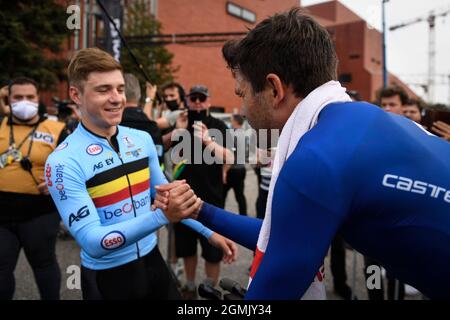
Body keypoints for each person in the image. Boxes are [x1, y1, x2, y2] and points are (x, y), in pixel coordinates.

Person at [155, 8, 450, 299]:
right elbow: (285, 234)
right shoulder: (363, 119)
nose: (242, 110)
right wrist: (201, 210)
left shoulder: (316, 160)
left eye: (241, 94)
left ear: (274, 89)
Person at [45, 47, 237, 300]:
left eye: (120, 89)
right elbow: (92, 241)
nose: (116, 98)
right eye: (103, 90)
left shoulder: (141, 138)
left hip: (152, 260)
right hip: (108, 276)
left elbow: (169, 199)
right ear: (76, 95)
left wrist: (209, 232)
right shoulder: (62, 161)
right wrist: (161, 217)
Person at [0, 77, 66, 300]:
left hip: (40, 211)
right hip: (2, 213)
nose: (24, 101)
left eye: (30, 97)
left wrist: (58, 181)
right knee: (1, 268)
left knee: (44, 264)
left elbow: (74, 166)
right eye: (17, 97)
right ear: (8, 100)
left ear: (38, 99)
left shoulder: (57, 129)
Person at [169, 84, 234, 299]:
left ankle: (210, 290)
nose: (197, 102)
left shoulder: (218, 125)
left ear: (208, 100)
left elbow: (231, 157)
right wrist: (177, 131)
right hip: (183, 198)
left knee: (212, 251)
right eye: (193, 98)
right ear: (187, 100)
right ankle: (189, 285)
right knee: (186, 248)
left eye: (201, 98)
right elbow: (163, 152)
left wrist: (208, 141)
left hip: (211, 199)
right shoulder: (181, 123)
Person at [223, 114, 248, 215]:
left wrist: (224, 171)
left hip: (232, 170)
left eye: (231, 120)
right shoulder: (245, 134)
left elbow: (230, 156)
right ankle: (244, 216)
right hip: (241, 169)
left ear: (235, 122)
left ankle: (219, 219)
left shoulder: (233, 135)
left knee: (221, 195)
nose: (230, 122)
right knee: (240, 195)